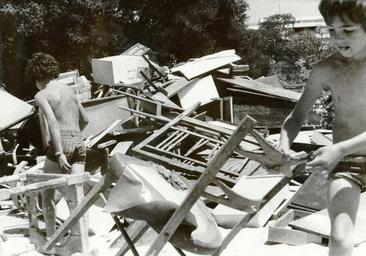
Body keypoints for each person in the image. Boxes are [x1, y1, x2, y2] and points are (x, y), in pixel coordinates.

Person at [278, 1, 366, 255]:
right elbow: (297, 116)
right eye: (331, 30)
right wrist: (283, 145)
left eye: (347, 30)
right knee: (339, 238)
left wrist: (337, 149)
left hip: (341, 151)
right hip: (348, 162)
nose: (338, 38)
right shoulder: (325, 69)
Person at [25, 52, 89, 244]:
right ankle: (82, 242)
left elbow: (52, 122)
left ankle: (52, 239)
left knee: (47, 194)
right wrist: (74, 135)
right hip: (79, 141)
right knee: (78, 196)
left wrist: (60, 151)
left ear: (37, 77)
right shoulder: (70, 91)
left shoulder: (41, 94)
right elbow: (85, 119)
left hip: (61, 143)